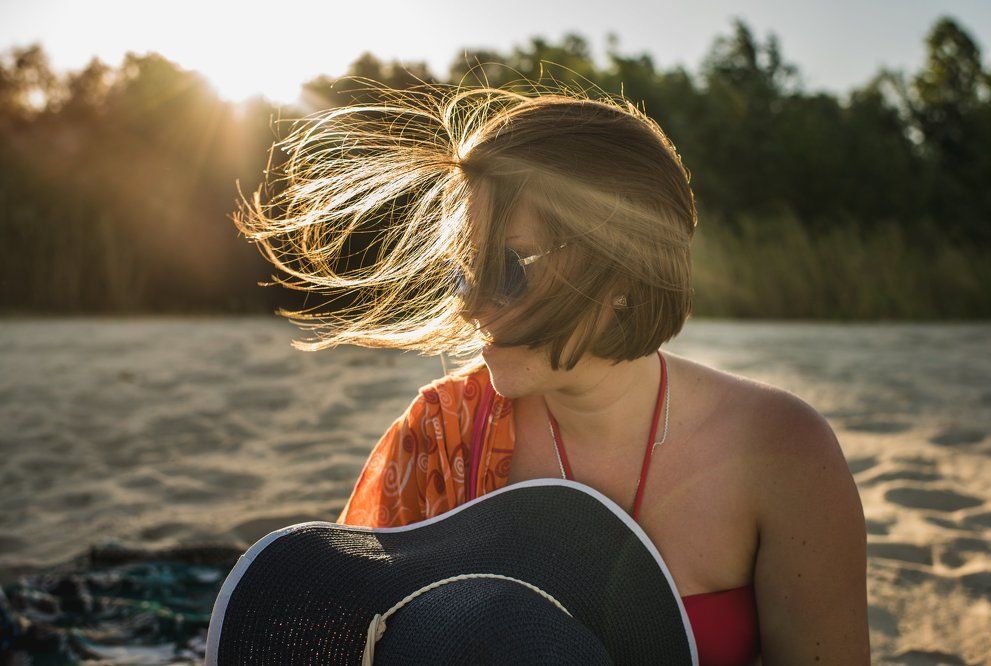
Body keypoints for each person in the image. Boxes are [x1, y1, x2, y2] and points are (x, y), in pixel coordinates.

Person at [233, 79, 871, 665]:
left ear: (622, 271)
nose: (472, 304)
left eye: (508, 270)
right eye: (465, 269)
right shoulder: (438, 439)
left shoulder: (781, 451)